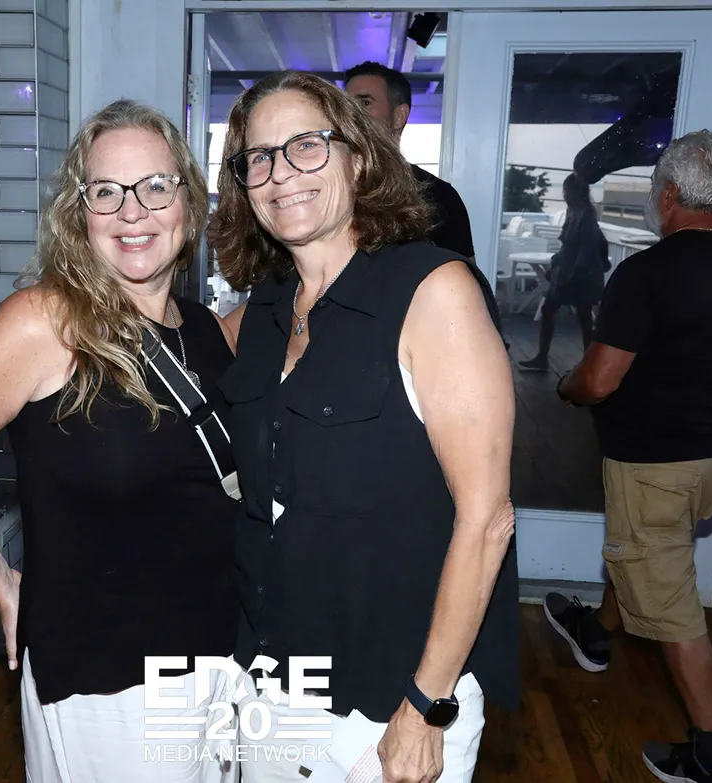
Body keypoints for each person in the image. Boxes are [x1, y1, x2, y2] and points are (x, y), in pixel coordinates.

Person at [0, 99, 242, 783]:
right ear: (80, 213)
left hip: (219, 658)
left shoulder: (202, 329)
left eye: (155, 186)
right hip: (107, 681)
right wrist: (3, 585)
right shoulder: (44, 323)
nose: (132, 211)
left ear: (189, 202)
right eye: (106, 191)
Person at [210, 70, 520, 783]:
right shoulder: (264, 310)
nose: (281, 172)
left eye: (306, 146)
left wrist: (426, 706)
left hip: (394, 693)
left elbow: (486, 519)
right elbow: (164, 355)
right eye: (259, 157)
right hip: (275, 674)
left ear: (357, 158)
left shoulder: (433, 293)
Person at [548, 129, 712, 783]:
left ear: (671, 194)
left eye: (657, 189)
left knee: (674, 606)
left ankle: (711, 753)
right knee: (643, 553)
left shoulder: (647, 272)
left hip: (651, 466)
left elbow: (600, 380)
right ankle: (597, 633)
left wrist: (566, 386)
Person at [344, 60, 476, 260]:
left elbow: (465, 275)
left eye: (365, 103)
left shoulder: (438, 197)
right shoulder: (331, 187)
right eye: (345, 105)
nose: (350, 114)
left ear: (399, 116)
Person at [519, 172, 609, 372]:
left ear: (576, 191)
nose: (564, 194)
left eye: (567, 190)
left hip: (580, 276)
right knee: (569, 314)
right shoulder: (575, 212)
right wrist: (556, 265)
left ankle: (585, 364)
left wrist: (569, 275)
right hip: (570, 273)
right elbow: (567, 248)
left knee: (582, 316)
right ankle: (550, 359)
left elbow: (584, 252)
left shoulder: (586, 217)